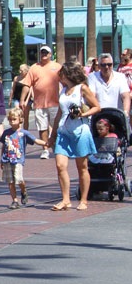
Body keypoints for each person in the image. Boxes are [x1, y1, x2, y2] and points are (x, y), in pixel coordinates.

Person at [48, 61, 101, 211]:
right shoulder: (63, 90)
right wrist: (53, 134)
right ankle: (65, 200)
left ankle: (83, 200)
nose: (59, 76)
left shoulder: (82, 88)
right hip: (64, 132)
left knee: (82, 167)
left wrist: (83, 114)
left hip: (80, 131)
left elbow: (97, 107)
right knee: (60, 165)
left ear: (67, 74)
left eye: (61, 73)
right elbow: (60, 112)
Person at [0, 106, 49, 210]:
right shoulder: (6, 133)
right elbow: (4, 146)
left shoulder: (24, 133)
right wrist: (1, 159)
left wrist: (47, 143)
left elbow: (35, 140)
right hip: (7, 159)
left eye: (14, 119)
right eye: (10, 120)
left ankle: (23, 191)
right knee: (10, 181)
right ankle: (15, 200)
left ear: (20, 119)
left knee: (19, 179)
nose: (11, 122)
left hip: (18, 160)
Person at [21, 46, 63, 160]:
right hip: (39, 104)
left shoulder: (57, 66)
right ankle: (45, 149)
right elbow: (27, 85)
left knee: (56, 127)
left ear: (50, 54)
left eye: (46, 52)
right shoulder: (34, 68)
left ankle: (56, 147)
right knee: (42, 127)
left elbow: (64, 81)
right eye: (42, 52)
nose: (44, 54)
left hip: (55, 103)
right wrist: (22, 100)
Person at [9, 63, 31, 129]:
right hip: (17, 99)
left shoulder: (29, 79)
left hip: (27, 100)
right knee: (17, 115)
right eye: (20, 70)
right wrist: (10, 99)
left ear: (26, 71)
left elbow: (30, 91)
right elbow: (13, 89)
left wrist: (27, 101)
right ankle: (18, 130)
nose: (20, 72)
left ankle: (25, 132)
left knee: (25, 117)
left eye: (22, 70)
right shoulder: (16, 78)